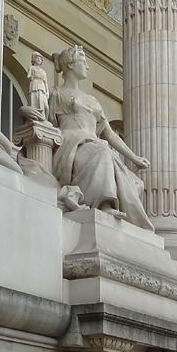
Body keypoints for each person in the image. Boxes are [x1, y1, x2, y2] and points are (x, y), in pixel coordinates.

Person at [48, 45, 154, 230]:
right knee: (103, 152)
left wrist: (133, 157)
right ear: (70, 65)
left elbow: (110, 134)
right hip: (71, 147)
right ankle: (104, 204)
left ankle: (121, 215)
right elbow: (48, 124)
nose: (88, 66)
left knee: (135, 182)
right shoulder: (57, 94)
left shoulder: (93, 100)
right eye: (83, 60)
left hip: (93, 146)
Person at [27, 52, 49, 118]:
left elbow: (46, 82)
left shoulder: (43, 71)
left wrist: (47, 92)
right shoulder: (31, 68)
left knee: (46, 107)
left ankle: (43, 117)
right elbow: (29, 76)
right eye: (37, 58)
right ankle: (37, 116)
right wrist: (31, 77)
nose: (39, 59)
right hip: (34, 84)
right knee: (35, 100)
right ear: (34, 59)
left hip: (42, 86)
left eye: (40, 58)